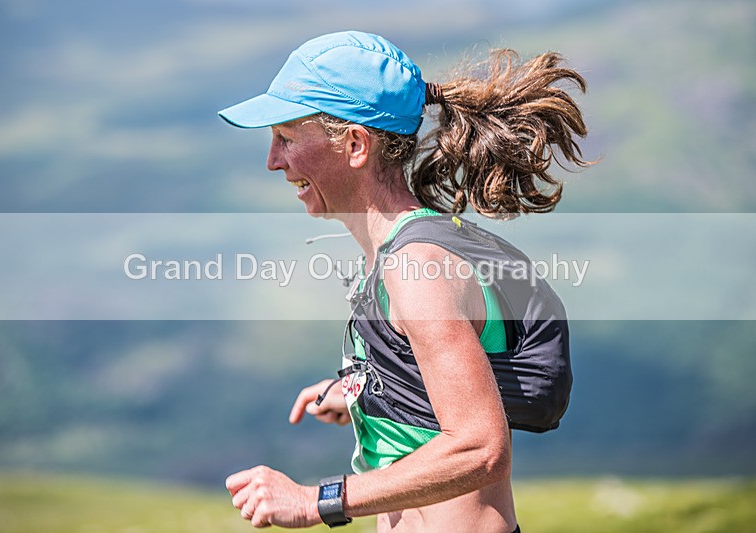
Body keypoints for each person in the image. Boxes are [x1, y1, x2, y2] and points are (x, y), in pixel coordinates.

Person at [218, 31, 590, 532]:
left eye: (286, 137)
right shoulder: (409, 251)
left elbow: (480, 448)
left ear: (355, 144)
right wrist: (364, 390)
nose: (273, 160)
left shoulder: (418, 270)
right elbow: (434, 381)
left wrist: (315, 500)